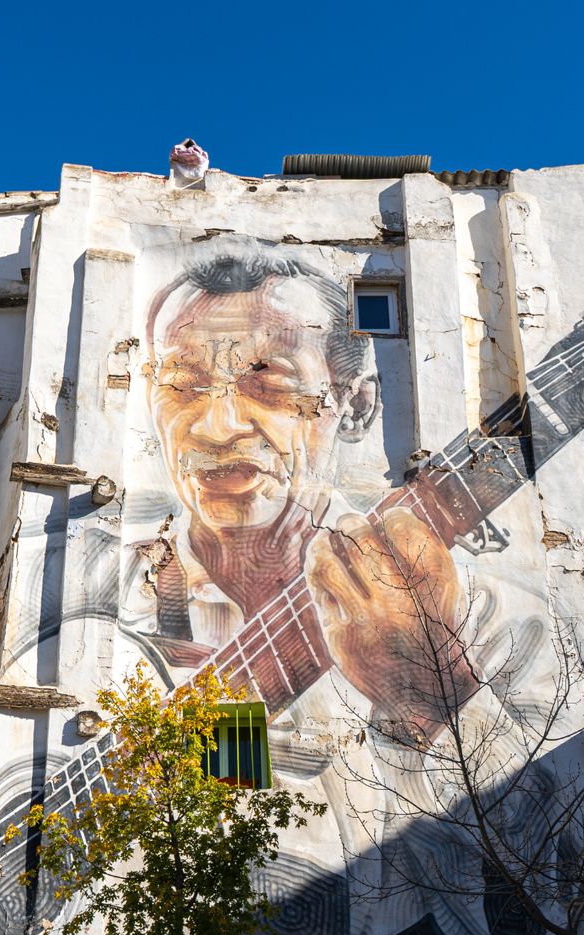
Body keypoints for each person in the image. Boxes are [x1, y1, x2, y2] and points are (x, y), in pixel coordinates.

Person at [130, 242, 474, 740]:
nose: (217, 427)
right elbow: (232, 793)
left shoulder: (458, 606)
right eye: (183, 384)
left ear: (354, 405)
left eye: (267, 386)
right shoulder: (100, 591)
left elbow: (565, 801)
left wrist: (429, 689)